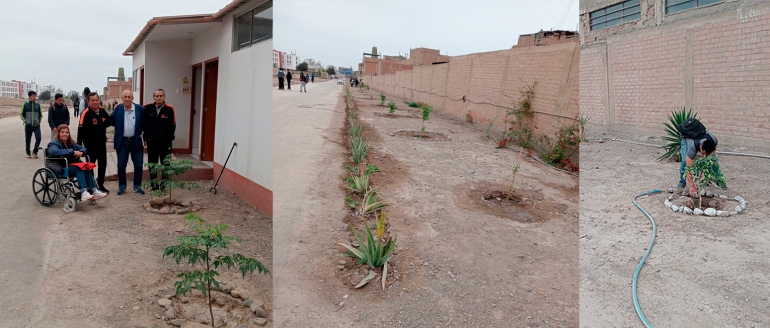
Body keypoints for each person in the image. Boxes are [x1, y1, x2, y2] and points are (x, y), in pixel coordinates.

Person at [47, 124, 108, 201]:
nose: (65, 134)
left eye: (67, 132)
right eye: (62, 132)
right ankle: (84, 192)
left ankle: (94, 190)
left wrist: (81, 152)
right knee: (79, 169)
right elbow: (54, 151)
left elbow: (84, 149)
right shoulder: (53, 144)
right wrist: (72, 152)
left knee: (86, 167)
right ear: (58, 133)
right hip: (60, 168)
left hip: (70, 166)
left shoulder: (70, 143)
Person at [108, 89, 145, 195]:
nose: (127, 98)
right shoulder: (118, 109)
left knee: (138, 165)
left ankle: (137, 186)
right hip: (122, 141)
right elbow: (109, 121)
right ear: (122, 98)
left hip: (136, 141)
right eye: (125, 97)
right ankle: (122, 186)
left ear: (132, 98)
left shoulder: (140, 109)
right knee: (121, 165)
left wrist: (146, 137)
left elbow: (146, 124)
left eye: (129, 97)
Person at [678, 118, 726, 197]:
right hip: (686, 136)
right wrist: (692, 186)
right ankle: (682, 182)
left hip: (701, 136)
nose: (703, 155)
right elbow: (688, 168)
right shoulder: (692, 147)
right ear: (700, 147)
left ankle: (720, 181)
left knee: (714, 161)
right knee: (684, 162)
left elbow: (714, 149)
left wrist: (708, 160)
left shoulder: (713, 140)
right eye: (703, 153)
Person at [143, 88, 176, 191]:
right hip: (152, 141)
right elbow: (145, 125)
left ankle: (164, 185)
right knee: (152, 164)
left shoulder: (170, 109)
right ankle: (154, 185)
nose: (159, 97)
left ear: (164, 97)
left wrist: (169, 138)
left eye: (161, 96)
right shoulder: (147, 108)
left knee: (165, 164)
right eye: (157, 96)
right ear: (154, 97)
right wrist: (145, 138)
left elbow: (173, 125)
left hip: (165, 142)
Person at [78, 92, 110, 193]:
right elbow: (80, 131)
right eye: (93, 100)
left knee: (103, 165)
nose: (95, 102)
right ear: (88, 102)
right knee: (90, 166)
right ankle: (91, 187)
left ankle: (100, 185)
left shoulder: (102, 110)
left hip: (101, 144)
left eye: (97, 100)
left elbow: (109, 121)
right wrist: (79, 147)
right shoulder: (85, 113)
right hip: (90, 146)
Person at [21, 90, 43, 158]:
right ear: (29, 97)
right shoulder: (25, 104)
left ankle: (35, 151)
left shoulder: (38, 105)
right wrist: (25, 120)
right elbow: (22, 114)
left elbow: (41, 115)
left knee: (38, 138)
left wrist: (39, 121)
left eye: (35, 96)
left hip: (36, 125)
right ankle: (28, 153)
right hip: (28, 125)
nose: (34, 97)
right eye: (33, 96)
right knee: (28, 140)